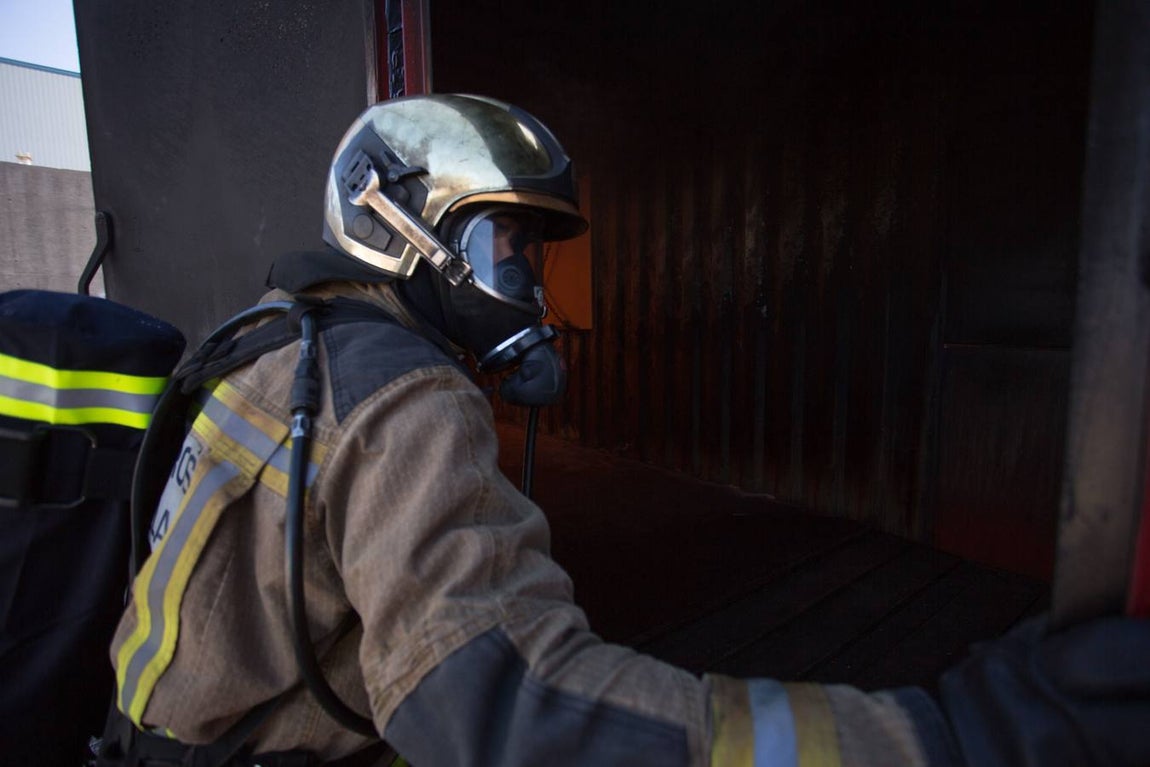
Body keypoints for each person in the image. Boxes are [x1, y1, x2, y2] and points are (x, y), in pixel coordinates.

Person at [103, 94, 1150, 766]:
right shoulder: (408, 396)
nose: (529, 282)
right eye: (503, 241)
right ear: (399, 228)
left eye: (530, 248)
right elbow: (507, 707)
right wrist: (944, 734)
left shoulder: (279, 339)